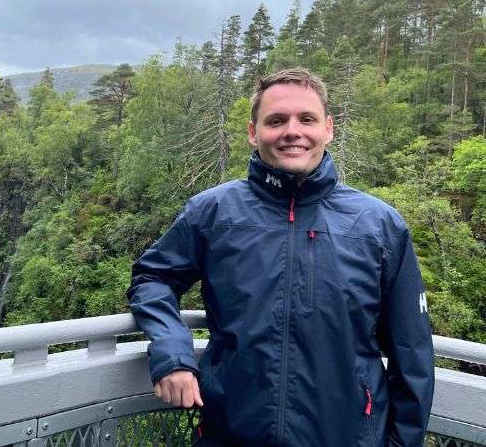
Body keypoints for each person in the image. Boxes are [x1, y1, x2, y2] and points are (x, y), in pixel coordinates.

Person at [127, 68, 434, 446]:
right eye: (276, 120)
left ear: (328, 128)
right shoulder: (213, 212)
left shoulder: (378, 225)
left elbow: (412, 355)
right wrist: (172, 351)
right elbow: (153, 278)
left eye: (307, 119)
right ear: (253, 132)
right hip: (230, 434)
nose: (293, 131)